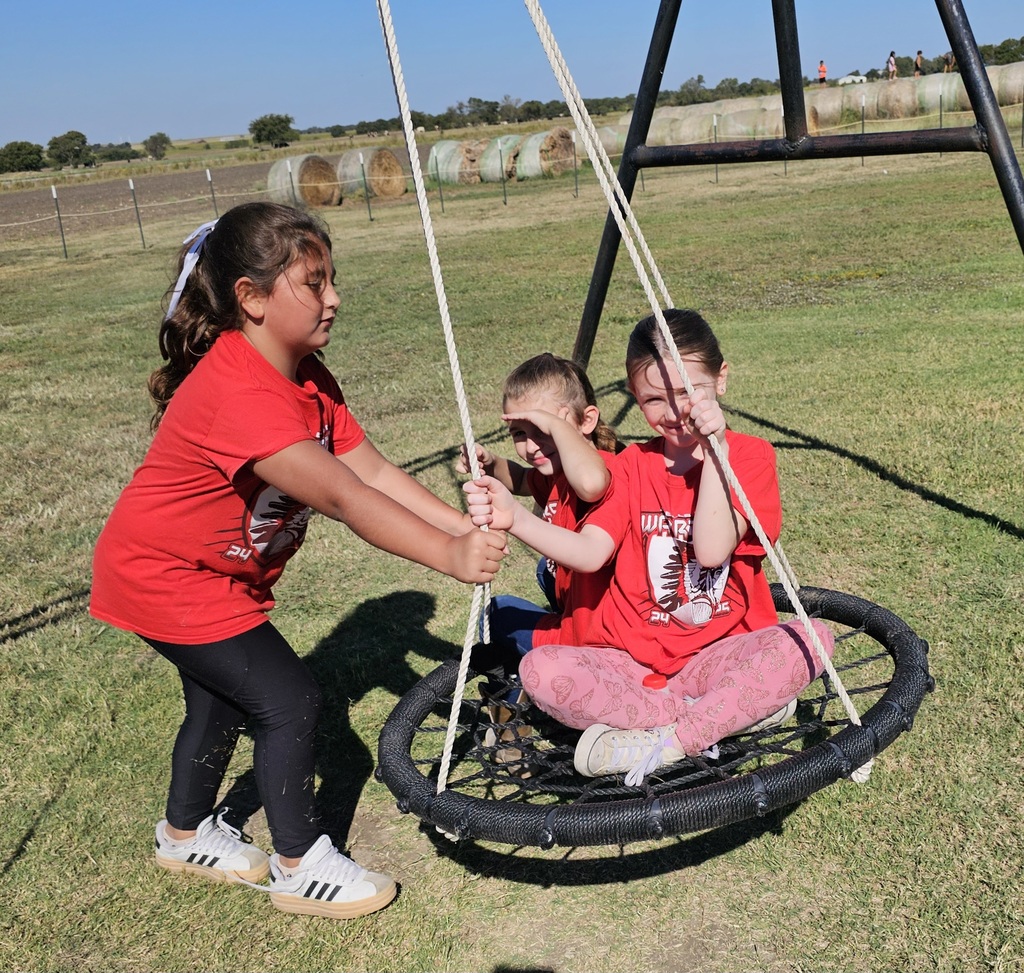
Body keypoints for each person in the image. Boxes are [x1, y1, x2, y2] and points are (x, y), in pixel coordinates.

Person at [89, 202, 506, 919]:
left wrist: (461, 519)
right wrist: (449, 553)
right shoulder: (236, 392)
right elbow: (345, 496)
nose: (334, 297)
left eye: (332, 278)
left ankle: (184, 834)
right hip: (163, 574)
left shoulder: (310, 377)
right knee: (289, 697)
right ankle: (299, 863)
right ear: (250, 299)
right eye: (314, 282)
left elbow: (371, 469)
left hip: (207, 572)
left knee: (219, 697)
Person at [464, 308, 835, 785]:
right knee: (540, 669)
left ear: (720, 380)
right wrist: (512, 518)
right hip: (632, 665)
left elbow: (711, 549)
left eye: (688, 392)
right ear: (636, 399)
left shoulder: (749, 456)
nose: (676, 412)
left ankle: (673, 741)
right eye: (655, 400)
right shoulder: (629, 467)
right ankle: (719, 716)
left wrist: (715, 448)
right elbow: (589, 552)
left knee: (811, 639)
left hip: (717, 653)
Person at [457, 352, 619, 654]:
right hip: (588, 608)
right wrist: (490, 463)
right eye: (519, 432)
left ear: (587, 420)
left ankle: (526, 688)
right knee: (547, 568)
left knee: (498, 613)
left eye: (544, 429)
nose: (531, 446)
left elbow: (591, 487)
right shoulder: (557, 473)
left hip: (596, 637)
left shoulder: (603, 475)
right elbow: (520, 480)